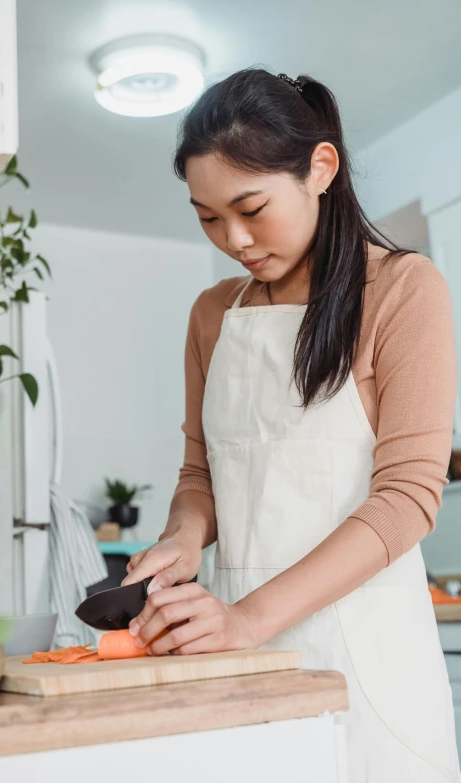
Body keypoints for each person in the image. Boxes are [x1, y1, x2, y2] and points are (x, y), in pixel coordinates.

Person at [121, 68, 460, 781]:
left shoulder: (404, 290)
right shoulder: (213, 314)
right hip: (235, 651)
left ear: (320, 168)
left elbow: (407, 498)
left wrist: (248, 617)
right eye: (208, 216)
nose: (233, 238)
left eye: (250, 207)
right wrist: (181, 540)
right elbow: (200, 473)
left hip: (364, 657)